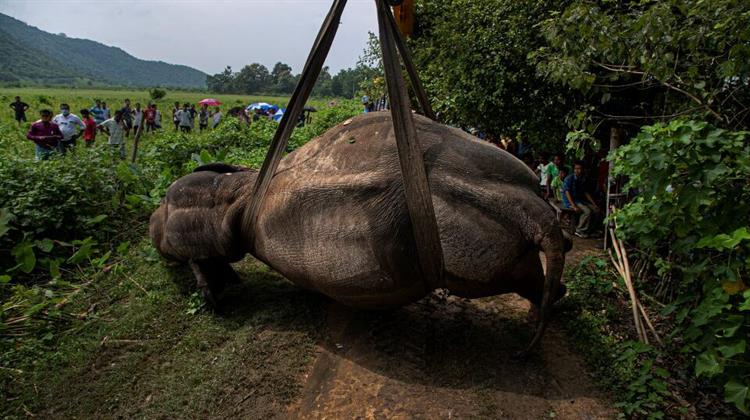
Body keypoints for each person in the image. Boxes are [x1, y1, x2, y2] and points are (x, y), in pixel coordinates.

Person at [562, 161, 601, 238]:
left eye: (579, 169)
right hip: (571, 200)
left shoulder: (583, 179)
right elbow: (567, 192)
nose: (577, 170)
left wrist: (594, 204)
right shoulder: (569, 178)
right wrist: (573, 206)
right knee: (587, 211)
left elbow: (586, 192)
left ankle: (590, 230)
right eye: (575, 168)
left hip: (580, 199)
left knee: (597, 210)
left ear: (583, 170)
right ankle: (580, 230)